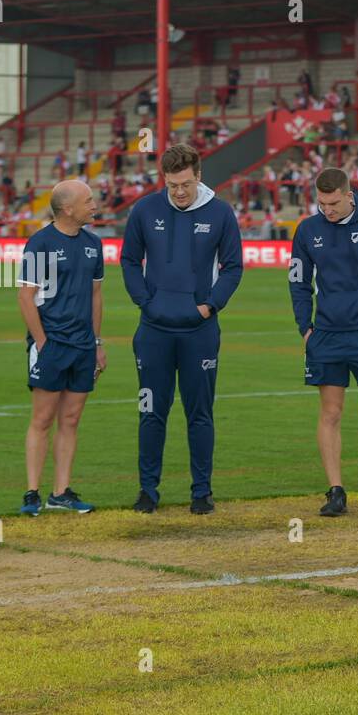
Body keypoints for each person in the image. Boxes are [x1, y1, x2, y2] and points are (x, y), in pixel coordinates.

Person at [120, 144, 243, 514]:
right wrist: (146, 301)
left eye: (185, 184)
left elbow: (233, 267)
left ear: (199, 176)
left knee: (199, 414)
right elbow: (128, 260)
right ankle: (147, 490)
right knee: (151, 411)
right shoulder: (144, 209)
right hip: (153, 330)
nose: (179, 192)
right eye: (172, 184)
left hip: (199, 332)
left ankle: (202, 491)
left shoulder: (221, 213)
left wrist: (209, 305)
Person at [289, 167, 358, 518]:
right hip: (326, 334)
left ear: (349, 195)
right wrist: (305, 328)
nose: (328, 209)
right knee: (331, 412)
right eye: (322, 203)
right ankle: (335, 491)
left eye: (334, 202)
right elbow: (298, 281)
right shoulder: (307, 230)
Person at [15, 179, 105, 516]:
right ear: (68, 208)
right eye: (88, 200)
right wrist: (42, 342)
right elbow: (26, 296)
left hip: (83, 345)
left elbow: (96, 295)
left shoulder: (93, 245)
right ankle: (32, 492)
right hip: (52, 343)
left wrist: (97, 343)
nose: (94, 205)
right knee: (42, 419)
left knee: (71, 418)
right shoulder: (40, 243)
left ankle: (61, 492)